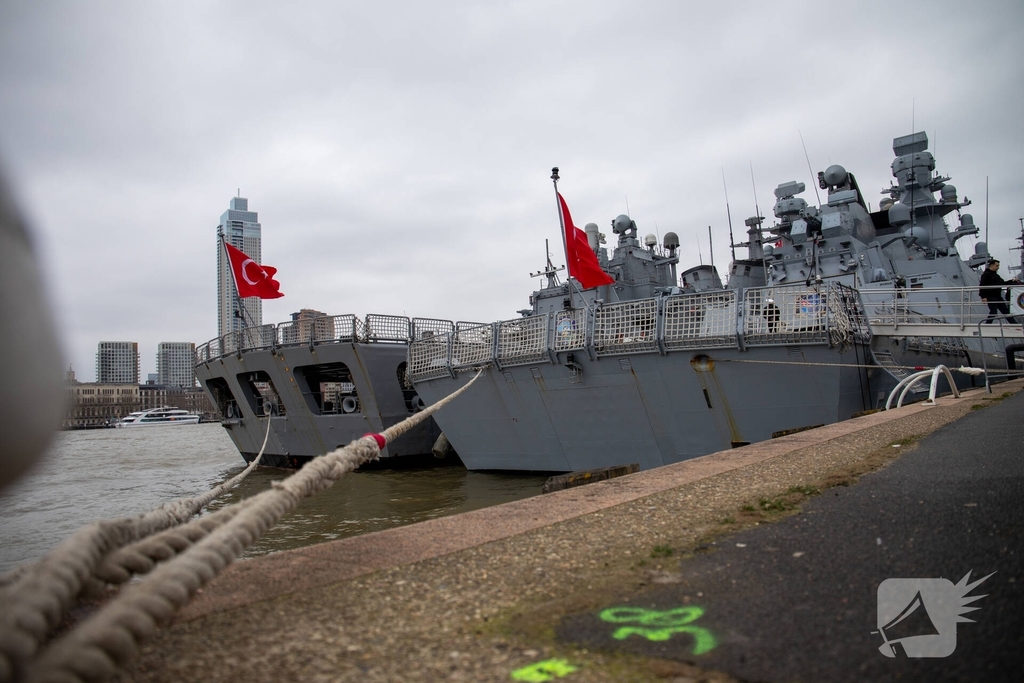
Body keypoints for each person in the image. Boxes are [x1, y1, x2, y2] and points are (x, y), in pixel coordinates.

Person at [979, 259, 1020, 324]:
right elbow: (982, 286)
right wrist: (983, 296)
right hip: (991, 296)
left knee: (1005, 311)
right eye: (997, 266)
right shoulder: (986, 275)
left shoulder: (996, 276)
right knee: (993, 312)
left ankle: (1013, 323)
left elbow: (1002, 283)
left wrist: (1012, 281)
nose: (998, 267)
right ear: (991, 265)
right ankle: (987, 324)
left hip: (998, 296)